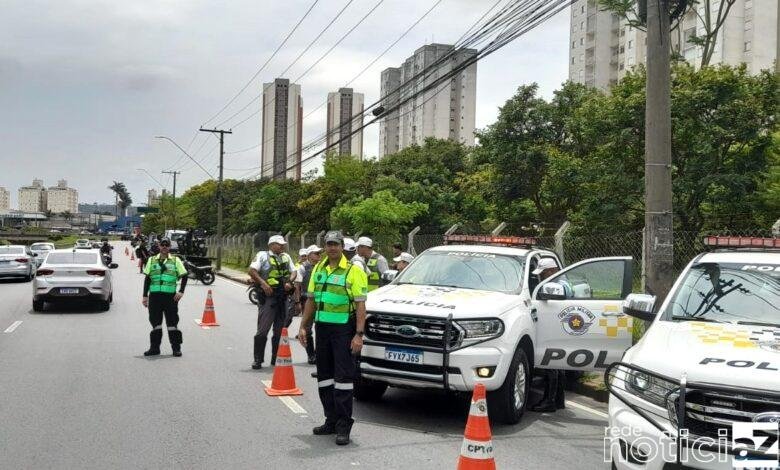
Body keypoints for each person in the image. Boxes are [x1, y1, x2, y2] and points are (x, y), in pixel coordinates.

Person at [297, 230, 368, 446]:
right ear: (324, 247)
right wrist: (303, 326)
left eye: (336, 244)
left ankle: (344, 426)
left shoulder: (354, 271)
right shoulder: (318, 268)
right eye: (329, 244)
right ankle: (331, 420)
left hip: (344, 330)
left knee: (343, 380)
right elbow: (311, 300)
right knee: (325, 377)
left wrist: (358, 335)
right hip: (323, 329)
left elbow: (360, 305)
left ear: (342, 247)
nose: (332, 248)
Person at [248, 235, 297, 369]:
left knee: (279, 330)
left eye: (282, 244)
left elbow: (294, 271)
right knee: (263, 329)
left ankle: (275, 358)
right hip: (269, 297)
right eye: (279, 244)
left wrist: (290, 281)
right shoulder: (262, 256)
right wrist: (263, 284)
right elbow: (251, 270)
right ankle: (258, 359)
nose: (282, 246)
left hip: (283, 297)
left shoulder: (286, 256)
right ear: (271, 245)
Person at [530, 257, 566, 412]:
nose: (541, 276)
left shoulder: (557, 286)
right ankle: (558, 400)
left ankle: (549, 401)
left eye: (543, 273)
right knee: (558, 365)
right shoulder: (563, 283)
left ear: (551, 271)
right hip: (561, 328)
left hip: (555, 328)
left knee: (550, 364)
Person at [141, 238, 188, 357]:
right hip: (155, 297)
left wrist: (181, 291)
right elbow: (147, 279)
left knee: (172, 324)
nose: (165, 247)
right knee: (155, 323)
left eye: (167, 245)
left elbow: (185, 275)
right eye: (163, 245)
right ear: (159, 246)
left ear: (170, 247)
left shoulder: (175, 260)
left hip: (170, 298)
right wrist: (145, 296)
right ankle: (154, 348)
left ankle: (176, 348)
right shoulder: (151, 260)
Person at [294, 244, 321, 364]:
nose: (319, 256)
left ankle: (320, 354)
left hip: (321, 301)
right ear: (309, 255)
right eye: (316, 253)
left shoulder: (322, 267)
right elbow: (297, 286)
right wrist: (297, 301)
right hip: (307, 301)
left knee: (321, 327)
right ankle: (311, 355)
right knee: (307, 329)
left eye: (319, 253)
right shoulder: (302, 267)